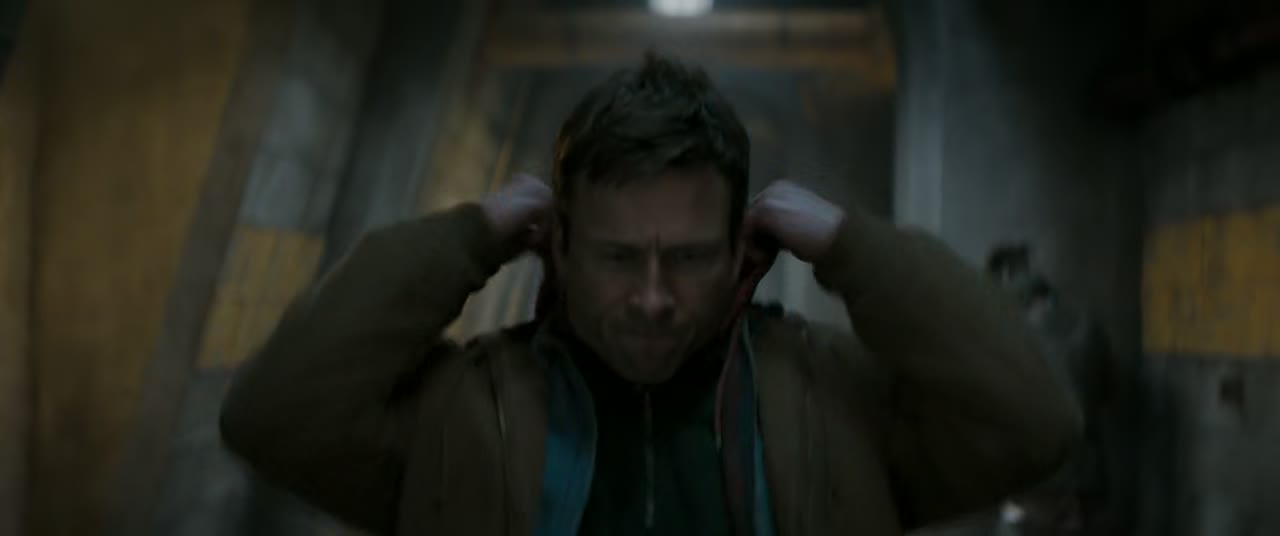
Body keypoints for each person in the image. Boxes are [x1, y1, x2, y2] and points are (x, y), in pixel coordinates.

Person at [220, 53, 1081, 536]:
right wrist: (469, 237)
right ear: (557, 247)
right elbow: (277, 415)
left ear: (742, 252)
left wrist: (852, 248)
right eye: (618, 257)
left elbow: (1032, 421)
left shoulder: (832, 401)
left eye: (691, 257)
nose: (654, 297)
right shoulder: (470, 410)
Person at [986, 244, 1114, 536]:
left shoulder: (1006, 335)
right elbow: (1107, 393)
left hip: (1029, 478)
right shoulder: (1089, 327)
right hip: (1082, 474)